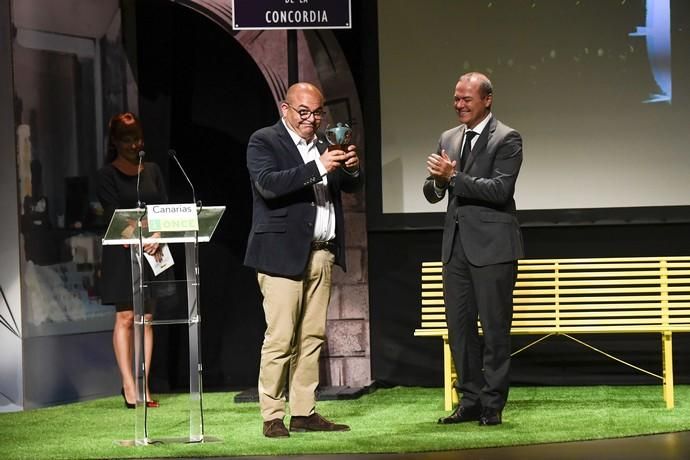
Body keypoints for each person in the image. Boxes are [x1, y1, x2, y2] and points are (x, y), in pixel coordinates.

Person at [244, 82, 362, 438]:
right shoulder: (265, 141)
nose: (312, 119)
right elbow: (269, 184)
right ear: (285, 109)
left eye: (318, 112)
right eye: (304, 112)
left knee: (311, 336)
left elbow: (347, 188)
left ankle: (304, 411)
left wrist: (351, 169)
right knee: (281, 337)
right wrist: (318, 166)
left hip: (320, 253)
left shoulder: (325, 144)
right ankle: (272, 415)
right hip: (280, 254)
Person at [423, 72, 524, 426]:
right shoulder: (448, 138)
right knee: (460, 328)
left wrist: (453, 178)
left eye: (467, 98)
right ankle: (470, 400)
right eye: (456, 98)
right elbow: (431, 192)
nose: (459, 104)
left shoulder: (507, 139)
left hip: (494, 249)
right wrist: (438, 182)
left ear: (487, 100)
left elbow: (500, 190)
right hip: (456, 248)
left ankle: (493, 404)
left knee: (495, 329)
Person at [98, 112, 166, 409]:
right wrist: (141, 235)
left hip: (153, 251)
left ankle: (143, 383)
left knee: (146, 318)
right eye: (127, 139)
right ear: (115, 142)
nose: (134, 144)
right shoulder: (107, 175)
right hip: (121, 252)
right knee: (126, 317)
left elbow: (164, 208)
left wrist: (158, 235)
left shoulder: (152, 170)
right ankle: (127, 384)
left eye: (137, 138)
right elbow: (113, 214)